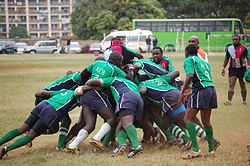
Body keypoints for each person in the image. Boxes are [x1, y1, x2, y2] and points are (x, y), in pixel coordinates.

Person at [0, 86, 95, 160]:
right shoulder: (80, 98)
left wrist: (37, 95)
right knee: (32, 134)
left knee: (21, 128)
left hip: (43, 105)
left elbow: (42, 93)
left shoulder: (65, 91)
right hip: (51, 111)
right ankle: (4, 150)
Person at [64, 52, 129, 153]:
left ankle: (72, 146)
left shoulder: (96, 63)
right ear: (117, 61)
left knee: (90, 124)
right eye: (120, 62)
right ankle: (97, 139)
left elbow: (82, 75)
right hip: (95, 95)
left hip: (84, 95)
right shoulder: (114, 69)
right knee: (111, 118)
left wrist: (87, 86)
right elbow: (128, 79)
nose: (121, 64)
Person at [85, 76, 144, 158]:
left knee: (127, 122)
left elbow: (92, 81)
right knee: (119, 127)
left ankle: (136, 146)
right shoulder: (130, 82)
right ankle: (122, 144)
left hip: (125, 96)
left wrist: (84, 86)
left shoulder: (113, 79)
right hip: (139, 99)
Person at [178, 44, 218, 159]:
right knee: (206, 121)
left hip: (201, 90)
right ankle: (211, 150)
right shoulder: (204, 62)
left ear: (186, 52)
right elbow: (204, 79)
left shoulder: (189, 60)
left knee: (187, 119)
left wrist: (182, 92)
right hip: (211, 90)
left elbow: (190, 76)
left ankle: (196, 150)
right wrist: (191, 92)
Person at [222, 34, 250, 105]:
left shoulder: (244, 48)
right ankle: (229, 101)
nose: (235, 41)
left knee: (242, 85)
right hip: (232, 69)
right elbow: (227, 58)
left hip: (242, 69)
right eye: (234, 39)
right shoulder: (229, 48)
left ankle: (244, 101)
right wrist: (223, 67)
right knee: (231, 84)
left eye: (236, 39)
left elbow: (248, 57)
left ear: (239, 40)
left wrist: (249, 66)